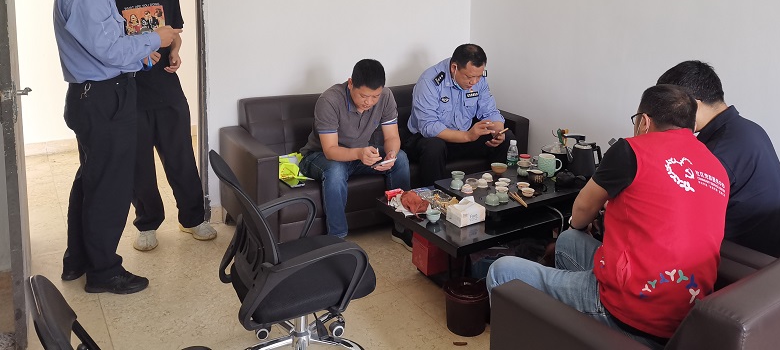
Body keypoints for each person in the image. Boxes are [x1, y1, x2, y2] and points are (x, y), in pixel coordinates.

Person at [486, 85, 729, 348]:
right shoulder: (716, 167)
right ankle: (570, 332)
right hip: (684, 318)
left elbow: (581, 211)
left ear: (644, 122)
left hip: (630, 311)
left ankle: (583, 318)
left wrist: (580, 222)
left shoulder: (631, 150)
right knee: (568, 240)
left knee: (501, 271)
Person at [54, 0, 181, 294]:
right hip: (103, 98)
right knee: (110, 186)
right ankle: (104, 272)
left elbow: (105, 47)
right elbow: (109, 50)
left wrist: (139, 55)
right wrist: (155, 38)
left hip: (97, 94)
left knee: (92, 180)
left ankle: (78, 259)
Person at [113, 0, 216, 252]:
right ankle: (147, 224)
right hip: (130, 92)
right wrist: (139, 53)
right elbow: (110, 45)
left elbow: (174, 34)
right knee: (139, 164)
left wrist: (175, 52)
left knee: (181, 156)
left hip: (167, 89)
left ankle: (193, 219)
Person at [657, 60, 780, 256]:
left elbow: (679, 214)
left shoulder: (719, 151)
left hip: (738, 257)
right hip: (767, 250)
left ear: (693, 105)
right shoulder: (747, 129)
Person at [298, 59, 412, 248]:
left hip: (359, 154)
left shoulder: (386, 96)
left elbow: (392, 136)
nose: (369, 102)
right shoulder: (330, 101)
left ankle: (402, 227)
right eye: (364, 96)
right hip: (319, 157)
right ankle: (336, 239)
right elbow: (330, 151)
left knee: (401, 158)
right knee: (335, 171)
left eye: (375, 96)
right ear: (350, 83)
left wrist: (391, 154)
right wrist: (360, 153)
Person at [406, 44, 513, 185]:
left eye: (479, 76)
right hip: (430, 139)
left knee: (507, 137)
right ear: (454, 68)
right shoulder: (429, 81)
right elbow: (428, 126)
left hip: (465, 135)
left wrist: (498, 131)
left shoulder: (478, 80)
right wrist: (468, 136)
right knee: (434, 147)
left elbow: (490, 111)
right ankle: (436, 196)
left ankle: (497, 189)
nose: (474, 82)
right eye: (469, 77)